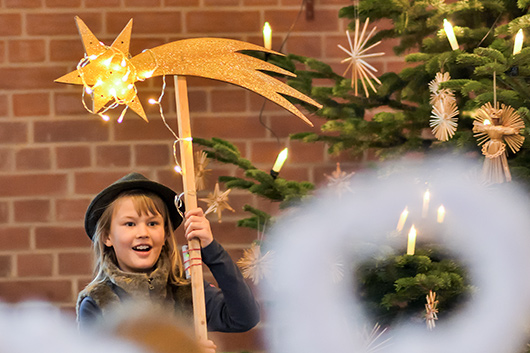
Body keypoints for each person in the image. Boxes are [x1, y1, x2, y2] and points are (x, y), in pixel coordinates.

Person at [77, 172, 260, 340]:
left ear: (165, 233)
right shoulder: (97, 302)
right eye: (130, 224)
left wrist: (210, 248)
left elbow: (245, 317)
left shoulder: (188, 291)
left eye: (153, 223)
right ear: (107, 236)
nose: (143, 232)